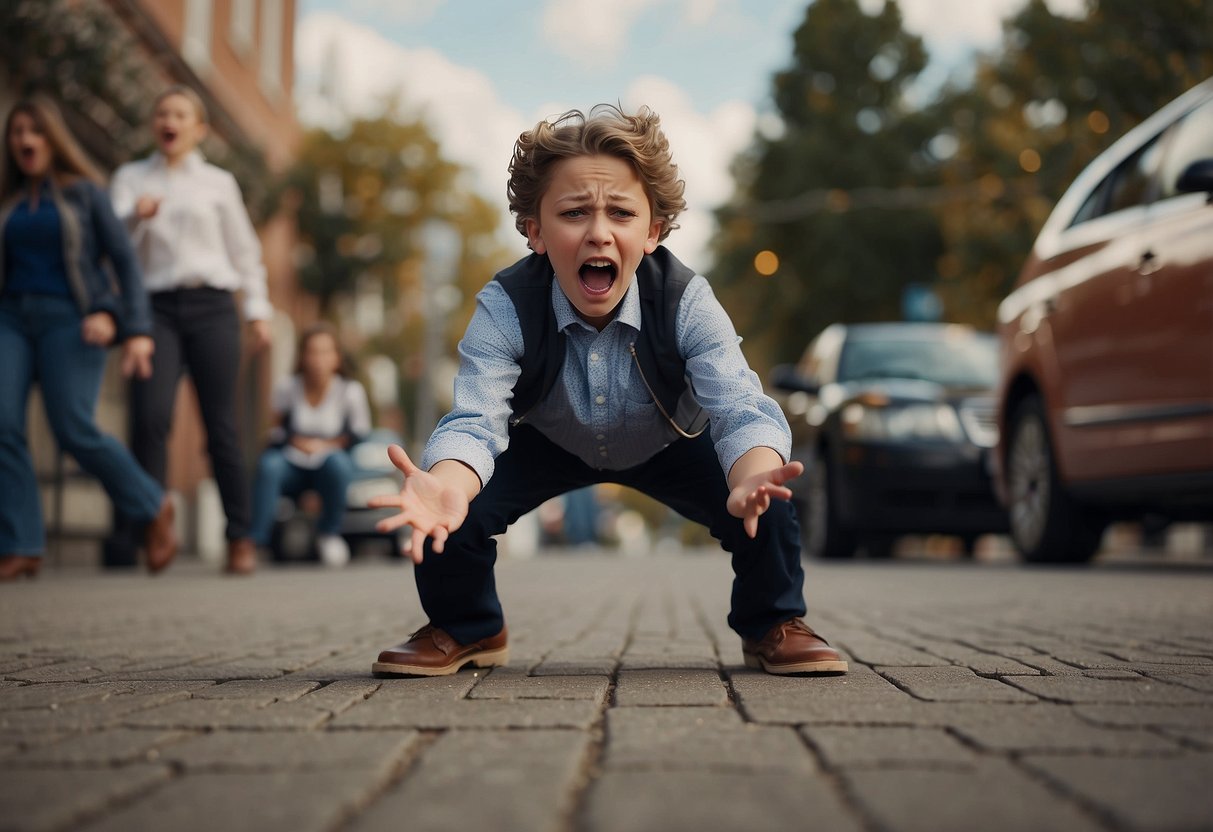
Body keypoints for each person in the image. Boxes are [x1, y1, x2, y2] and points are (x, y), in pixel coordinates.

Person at [369, 105, 848, 677]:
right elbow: (475, 420)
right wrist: (446, 483)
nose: (598, 231)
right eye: (574, 213)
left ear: (651, 232)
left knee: (768, 496)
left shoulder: (686, 300)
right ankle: (468, 627)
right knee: (451, 508)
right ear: (536, 231)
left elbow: (741, 407)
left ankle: (773, 622)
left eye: (620, 212)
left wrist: (751, 473)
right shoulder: (505, 306)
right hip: (548, 440)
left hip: (668, 440)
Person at [0, 95, 176, 581]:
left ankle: (152, 505)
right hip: (10, 317)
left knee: (74, 426)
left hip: (71, 320)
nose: (25, 140)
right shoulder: (8, 200)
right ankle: (22, 544)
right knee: (3, 426)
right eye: (17, 132)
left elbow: (123, 264)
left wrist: (128, 325)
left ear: (53, 139)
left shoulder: (85, 194)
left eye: (35, 131)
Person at [109, 85, 272, 575]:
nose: (170, 120)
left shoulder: (219, 183)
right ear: (154, 124)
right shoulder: (131, 178)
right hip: (153, 309)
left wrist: (258, 310)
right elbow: (111, 245)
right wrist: (133, 217)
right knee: (150, 418)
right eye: (162, 112)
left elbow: (244, 252)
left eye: (181, 113)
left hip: (212, 307)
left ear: (198, 129)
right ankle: (153, 524)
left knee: (221, 426)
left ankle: (239, 536)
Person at [249, 322, 371, 567]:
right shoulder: (287, 388)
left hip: (328, 463)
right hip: (293, 464)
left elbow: (359, 433)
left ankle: (329, 534)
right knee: (269, 465)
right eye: (312, 352)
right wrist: (298, 442)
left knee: (338, 464)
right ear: (302, 356)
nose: (318, 360)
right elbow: (276, 431)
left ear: (336, 357)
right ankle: (255, 541)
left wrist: (326, 445)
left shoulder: (350, 391)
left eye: (325, 352)